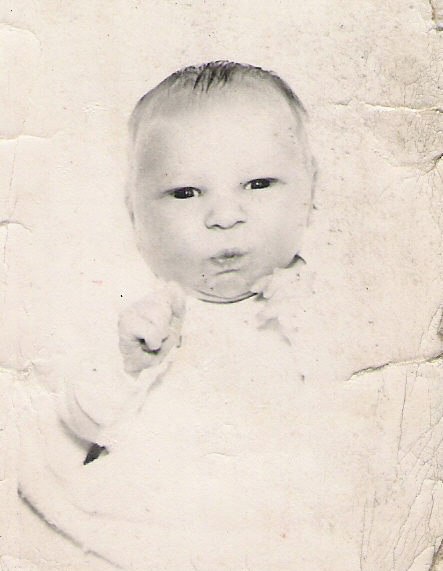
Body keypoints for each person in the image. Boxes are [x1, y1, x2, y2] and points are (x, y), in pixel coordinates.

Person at [16, 62, 443, 571]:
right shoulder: (138, 313)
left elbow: (383, 425)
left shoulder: (344, 302)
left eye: (258, 184)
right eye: (185, 193)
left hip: (294, 527)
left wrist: (319, 332)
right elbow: (80, 426)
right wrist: (126, 366)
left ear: (311, 193)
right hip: (157, 529)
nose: (224, 216)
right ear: (134, 210)